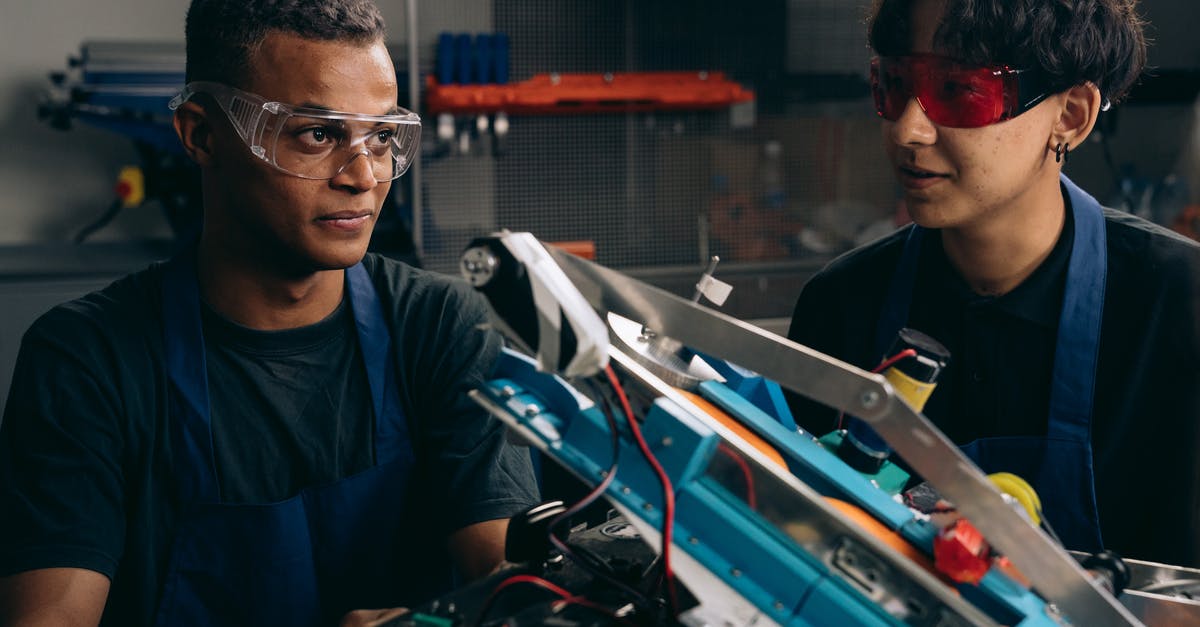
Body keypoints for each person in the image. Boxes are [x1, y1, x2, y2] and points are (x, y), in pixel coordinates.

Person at [0, 1, 539, 625]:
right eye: (318, 134)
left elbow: (510, 584)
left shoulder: (441, 328)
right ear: (202, 134)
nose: (363, 176)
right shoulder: (87, 360)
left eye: (382, 136)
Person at [787, 0, 1200, 568]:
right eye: (894, 85)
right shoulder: (841, 305)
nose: (907, 129)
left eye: (959, 91)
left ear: (1071, 116)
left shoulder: (1178, 305)